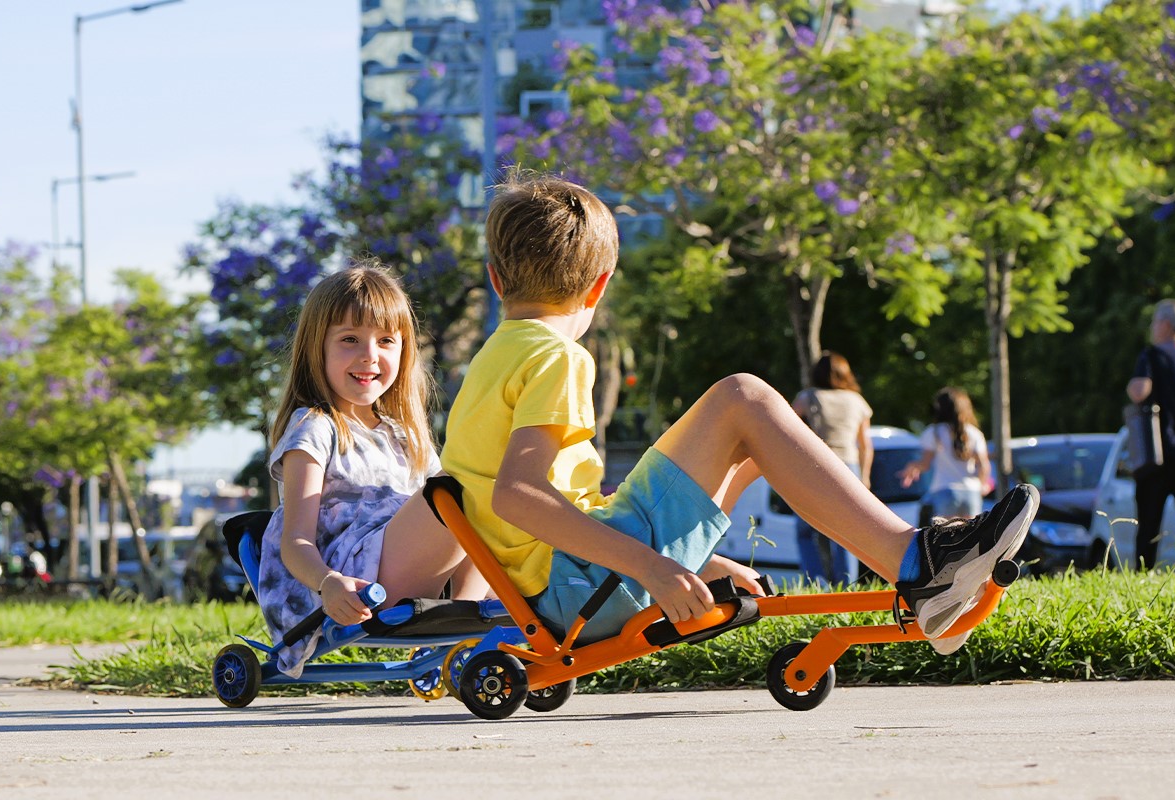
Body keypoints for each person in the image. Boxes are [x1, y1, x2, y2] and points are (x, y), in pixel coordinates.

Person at [440, 171, 1039, 658]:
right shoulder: (557, 357)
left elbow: (527, 505)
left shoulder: (492, 359)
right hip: (579, 589)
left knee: (750, 443)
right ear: (599, 288)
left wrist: (695, 556)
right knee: (743, 398)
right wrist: (651, 566)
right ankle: (917, 563)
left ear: (495, 280)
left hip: (566, 587)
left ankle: (936, 597)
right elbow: (518, 497)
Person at [258, 264, 485, 677]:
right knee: (459, 489)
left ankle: (464, 632)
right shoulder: (315, 426)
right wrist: (328, 583)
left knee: (481, 488)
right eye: (349, 340)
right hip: (360, 584)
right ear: (317, 349)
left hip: (414, 573)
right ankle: (464, 636)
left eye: (385, 341)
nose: (369, 356)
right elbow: (295, 542)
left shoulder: (403, 435)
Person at [791, 352, 873, 586]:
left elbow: (787, 428)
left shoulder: (807, 397)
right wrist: (865, 477)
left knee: (806, 529)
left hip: (818, 463)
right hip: (849, 466)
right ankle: (847, 585)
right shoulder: (857, 401)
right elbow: (865, 444)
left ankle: (815, 583)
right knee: (847, 531)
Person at [1126, 299, 1175, 570]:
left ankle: (1142, 574)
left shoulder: (1152, 355)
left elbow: (1139, 392)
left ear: (1165, 324)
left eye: (1154, 322)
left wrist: (1132, 386)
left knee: (1148, 524)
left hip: (1158, 455)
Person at [900, 387, 993, 523]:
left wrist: (912, 466)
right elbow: (984, 466)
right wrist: (982, 484)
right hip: (971, 491)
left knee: (947, 537)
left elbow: (925, 464)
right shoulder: (974, 433)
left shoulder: (933, 432)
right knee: (970, 537)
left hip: (944, 490)